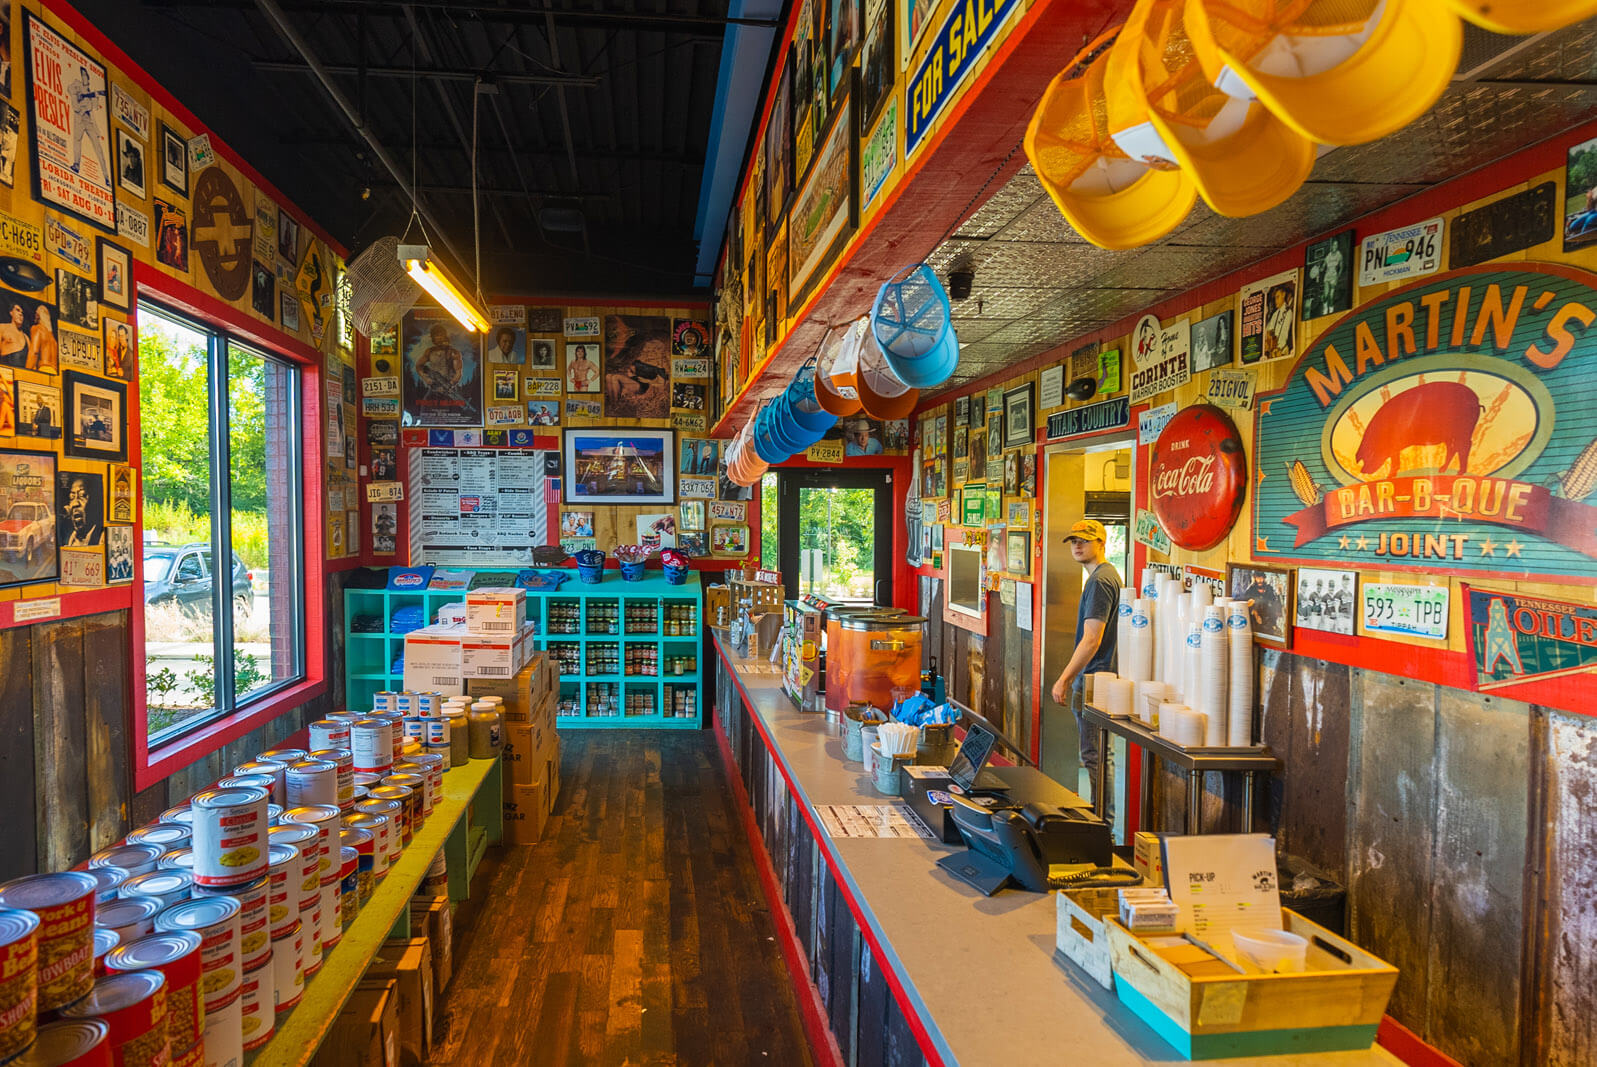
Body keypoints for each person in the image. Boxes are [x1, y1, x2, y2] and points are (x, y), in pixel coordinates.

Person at [1048, 519, 1122, 804]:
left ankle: (1103, 828)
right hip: (1099, 678)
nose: (1077, 546)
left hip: (1095, 679)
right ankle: (1101, 822)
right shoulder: (1103, 577)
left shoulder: (1102, 581)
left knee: (1097, 757)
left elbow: (1092, 638)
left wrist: (1064, 679)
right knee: (1098, 755)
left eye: (1084, 540)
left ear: (1102, 543)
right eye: (1073, 541)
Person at [67, 65, 109, 180]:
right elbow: (74, 100)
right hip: (79, 119)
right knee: (77, 141)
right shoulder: (76, 85)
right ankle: (76, 164)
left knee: (98, 147)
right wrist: (83, 98)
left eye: (85, 75)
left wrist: (92, 97)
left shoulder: (91, 92)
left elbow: (94, 106)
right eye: (82, 75)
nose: (84, 77)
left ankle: (106, 176)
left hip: (89, 120)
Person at [60, 474, 101, 546]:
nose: (75, 504)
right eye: (72, 497)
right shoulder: (70, 539)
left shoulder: (101, 537)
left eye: (82, 495)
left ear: (95, 501)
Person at [28, 306, 56, 374]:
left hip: (44, 370)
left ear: (38, 315)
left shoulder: (38, 329)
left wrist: (26, 372)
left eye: (35, 313)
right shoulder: (53, 339)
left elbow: (34, 352)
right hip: (55, 373)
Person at [0, 302, 26, 366]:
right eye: (17, 310)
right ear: (11, 312)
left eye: (22, 313)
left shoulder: (26, 338)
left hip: (22, 373)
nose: (20, 314)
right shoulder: (2, 328)